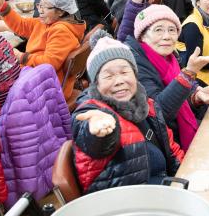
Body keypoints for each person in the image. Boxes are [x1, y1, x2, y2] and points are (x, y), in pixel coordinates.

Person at [70, 32, 182, 194]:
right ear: (96, 84)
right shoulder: (93, 112)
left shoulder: (145, 104)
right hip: (127, 204)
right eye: (108, 76)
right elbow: (94, 140)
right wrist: (98, 130)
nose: (119, 81)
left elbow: (172, 149)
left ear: (135, 75)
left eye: (124, 72)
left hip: (163, 187)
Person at [124, 4, 209, 150]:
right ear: (142, 35)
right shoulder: (135, 66)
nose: (167, 36)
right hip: (162, 144)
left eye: (172, 30)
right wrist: (189, 74)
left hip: (176, 131)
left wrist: (196, 97)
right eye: (158, 30)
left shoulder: (170, 57)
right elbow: (159, 113)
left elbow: (177, 91)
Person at [0, 0, 86, 102]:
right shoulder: (46, 22)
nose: (40, 10)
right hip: (39, 76)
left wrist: (20, 56)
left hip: (49, 87)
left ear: (60, 12)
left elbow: (49, 64)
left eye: (45, 7)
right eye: (40, 5)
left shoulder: (61, 31)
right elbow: (21, 25)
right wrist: (1, 4)